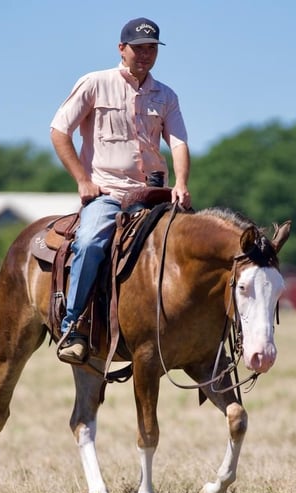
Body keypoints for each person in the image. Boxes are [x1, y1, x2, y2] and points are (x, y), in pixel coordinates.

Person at [50, 16, 192, 364]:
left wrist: (182, 183)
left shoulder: (166, 95)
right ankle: (74, 326)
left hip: (155, 193)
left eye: (151, 49)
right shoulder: (95, 84)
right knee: (89, 243)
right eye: (138, 48)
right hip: (108, 193)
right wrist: (83, 180)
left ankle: (195, 332)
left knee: (193, 245)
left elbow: (178, 143)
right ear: (121, 49)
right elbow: (59, 131)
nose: (145, 55)